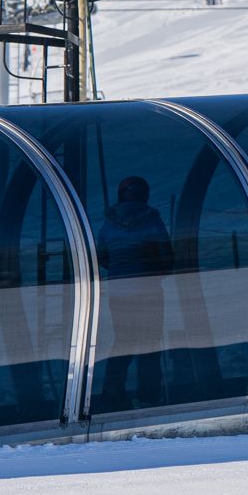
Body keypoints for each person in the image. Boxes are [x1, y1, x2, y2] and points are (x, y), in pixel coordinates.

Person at [96, 175, 174, 409]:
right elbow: (167, 256)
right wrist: (155, 272)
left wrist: (120, 272)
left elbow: (102, 256)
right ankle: (149, 394)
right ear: (145, 195)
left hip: (119, 293)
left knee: (122, 342)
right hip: (148, 291)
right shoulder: (152, 222)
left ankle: (112, 392)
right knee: (150, 344)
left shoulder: (109, 224)